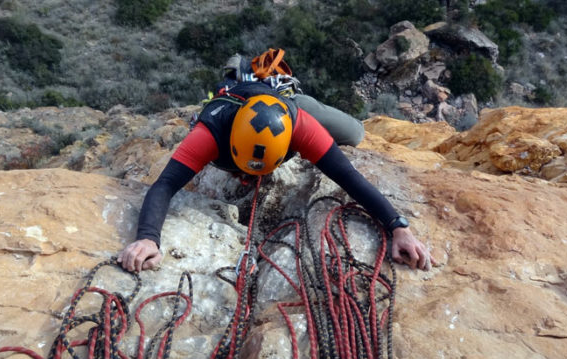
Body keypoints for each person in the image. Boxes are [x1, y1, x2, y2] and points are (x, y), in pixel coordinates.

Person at [119, 55, 433, 273]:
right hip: (236, 105)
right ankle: (248, 72)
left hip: (284, 101)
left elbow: (347, 176)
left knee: (355, 133)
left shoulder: (300, 126)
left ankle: (286, 86)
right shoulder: (209, 132)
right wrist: (148, 237)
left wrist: (398, 227)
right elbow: (164, 185)